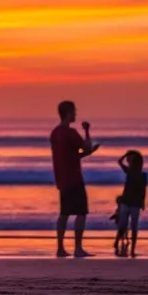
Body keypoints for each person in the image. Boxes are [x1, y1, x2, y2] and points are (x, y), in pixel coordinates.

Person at [50, 100, 100, 258]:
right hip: (74, 178)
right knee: (81, 212)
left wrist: (87, 153)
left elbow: (72, 155)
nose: (76, 114)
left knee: (64, 213)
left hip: (62, 178)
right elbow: (85, 147)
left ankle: (60, 247)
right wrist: (87, 131)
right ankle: (78, 248)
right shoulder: (70, 132)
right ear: (69, 113)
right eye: (74, 112)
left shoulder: (55, 133)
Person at [115, 150, 147, 258]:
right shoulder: (131, 172)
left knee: (132, 226)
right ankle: (117, 243)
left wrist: (143, 202)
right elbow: (119, 161)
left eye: (130, 159)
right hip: (127, 201)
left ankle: (132, 248)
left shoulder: (139, 174)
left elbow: (143, 191)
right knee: (124, 225)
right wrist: (126, 154)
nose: (128, 160)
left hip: (134, 203)